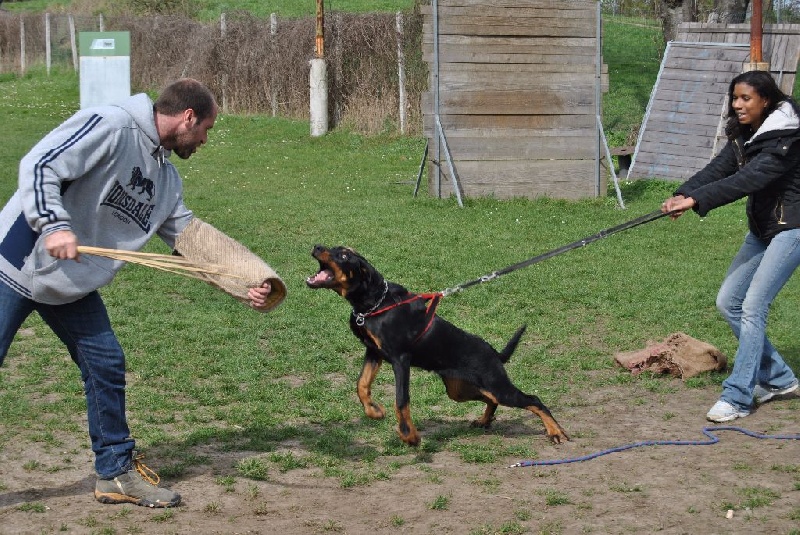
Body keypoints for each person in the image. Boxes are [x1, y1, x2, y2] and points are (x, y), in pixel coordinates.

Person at [0, 78, 272, 507]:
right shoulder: (112, 125)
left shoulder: (165, 178)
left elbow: (189, 236)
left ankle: (114, 473)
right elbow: (40, 164)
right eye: (207, 129)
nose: (204, 140)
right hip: (15, 264)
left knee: (106, 363)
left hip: (69, 284)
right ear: (188, 118)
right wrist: (54, 223)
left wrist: (248, 282)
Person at [661, 70, 800, 423]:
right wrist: (683, 192)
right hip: (763, 227)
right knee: (729, 302)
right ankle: (780, 379)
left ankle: (738, 397)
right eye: (734, 98)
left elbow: (748, 179)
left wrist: (696, 201)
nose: (737, 105)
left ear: (765, 101)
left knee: (753, 307)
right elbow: (721, 168)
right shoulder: (746, 133)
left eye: (745, 99)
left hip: (792, 227)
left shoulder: (787, 138)